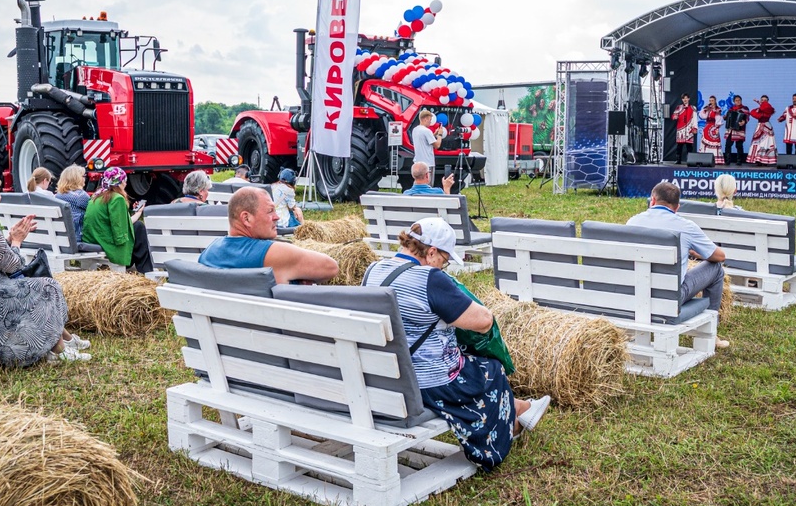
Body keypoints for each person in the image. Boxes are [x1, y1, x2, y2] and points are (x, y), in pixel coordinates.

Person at [363, 218, 549, 470]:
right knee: (491, 370)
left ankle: (520, 408)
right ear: (431, 253)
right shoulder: (430, 278)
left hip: (385, 379)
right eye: (445, 259)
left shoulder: (372, 270)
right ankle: (509, 427)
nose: (444, 266)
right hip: (429, 385)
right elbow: (483, 321)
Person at [0, 170, 89, 365]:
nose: (0, 195)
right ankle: (58, 350)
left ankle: (61, 343)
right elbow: (13, 266)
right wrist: (17, 242)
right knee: (47, 286)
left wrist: (8, 238)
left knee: (40, 285)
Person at [626, 182, 730, 349]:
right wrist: (694, 252)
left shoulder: (632, 222)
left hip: (635, 294)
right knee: (716, 269)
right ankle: (712, 334)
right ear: (676, 207)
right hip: (669, 298)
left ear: (652, 200)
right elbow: (720, 256)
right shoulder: (685, 226)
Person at [198, 187, 338, 284]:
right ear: (246, 219)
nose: (277, 217)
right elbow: (331, 267)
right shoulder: (271, 253)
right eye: (270, 211)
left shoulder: (208, 253)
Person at [81, 166, 154, 273]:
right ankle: (147, 271)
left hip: (94, 238)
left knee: (137, 226)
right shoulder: (117, 198)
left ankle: (146, 269)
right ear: (118, 182)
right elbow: (119, 231)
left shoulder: (97, 196)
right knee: (139, 228)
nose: (126, 183)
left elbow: (118, 222)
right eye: (124, 180)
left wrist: (137, 213)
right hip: (106, 242)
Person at [54, 165, 91, 240]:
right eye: (83, 176)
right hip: (77, 238)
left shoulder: (57, 196)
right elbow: (93, 213)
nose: (85, 179)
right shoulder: (81, 196)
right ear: (77, 178)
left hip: (61, 237)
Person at [412, 109, 443, 179]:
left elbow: (425, 140)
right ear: (425, 119)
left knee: (419, 183)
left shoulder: (415, 130)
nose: (430, 122)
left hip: (417, 162)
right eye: (430, 119)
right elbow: (437, 145)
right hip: (428, 163)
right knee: (428, 185)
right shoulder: (427, 131)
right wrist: (440, 135)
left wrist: (434, 133)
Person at [746, 95, 777, 166]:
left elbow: (766, 109)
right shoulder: (759, 109)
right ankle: (758, 160)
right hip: (760, 125)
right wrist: (759, 105)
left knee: (766, 143)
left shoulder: (769, 109)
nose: (763, 101)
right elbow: (754, 113)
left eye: (765, 100)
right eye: (762, 99)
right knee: (757, 143)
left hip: (766, 126)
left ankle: (765, 160)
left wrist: (759, 103)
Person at [723, 96, 749, 166]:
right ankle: (727, 160)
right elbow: (727, 117)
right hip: (730, 130)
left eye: (739, 100)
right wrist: (725, 117)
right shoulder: (731, 109)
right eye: (736, 100)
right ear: (734, 101)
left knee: (739, 145)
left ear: (741, 100)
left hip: (739, 130)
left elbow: (747, 117)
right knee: (728, 145)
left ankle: (739, 161)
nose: (738, 101)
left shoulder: (744, 108)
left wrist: (743, 122)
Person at [671, 94, 697, 164]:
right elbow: (673, 116)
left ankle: (690, 160)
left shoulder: (693, 108)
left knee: (689, 146)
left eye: (686, 98)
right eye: (683, 98)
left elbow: (695, 118)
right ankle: (678, 159)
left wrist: (695, 128)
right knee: (679, 146)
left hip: (689, 128)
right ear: (682, 99)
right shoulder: (679, 107)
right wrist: (675, 116)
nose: (685, 100)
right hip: (681, 129)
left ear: (689, 99)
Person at [698, 96, 724, 165]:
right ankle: (704, 159)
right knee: (705, 143)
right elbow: (702, 116)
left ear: (715, 101)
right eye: (710, 100)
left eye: (712, 100)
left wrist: (717, 128)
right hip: (707, 128)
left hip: (713, 129)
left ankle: (715, 160)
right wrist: (704, 109)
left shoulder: (718, 110)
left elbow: (718, 120)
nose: (711, 102)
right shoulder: (707, 109)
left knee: (714, 143)